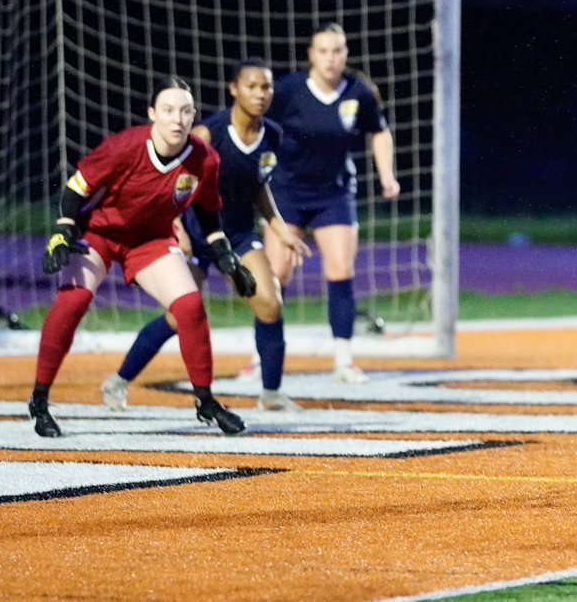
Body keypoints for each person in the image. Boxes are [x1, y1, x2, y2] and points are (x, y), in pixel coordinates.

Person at [29, 77, 257, 437]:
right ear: (152, 114)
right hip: (100, 233)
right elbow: (76, 187)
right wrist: (63, 229)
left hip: (150, 240)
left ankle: (206, 402)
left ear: (194, 115)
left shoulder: (204, 159)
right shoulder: (126, 146)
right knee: (73, 303)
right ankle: (40, 400)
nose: (177, 120)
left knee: (189, 307)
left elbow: (209, 213)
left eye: (185, 111)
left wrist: (225, 254)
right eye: (168, 110)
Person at [100, 60, 313, 413]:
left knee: (270, 305)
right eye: (252, 86)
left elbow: (259, 188)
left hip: (238, 236)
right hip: (198, 235)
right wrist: (177, 229)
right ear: (234, 89)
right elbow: (171, 183)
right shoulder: (207, 134)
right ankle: (118, 381)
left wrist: (280, 229)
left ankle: (271, 393)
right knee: (178, 315)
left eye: (266, 87)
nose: (260, 94)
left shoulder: (271, 135)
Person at [259, 23, 400, 383]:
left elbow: (379, 131)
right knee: (276, 276)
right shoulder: (288, 90)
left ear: (345, 54)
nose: (330, 58)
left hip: (334, 193)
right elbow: (257, 130)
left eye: (337, 51)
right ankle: (260, 358)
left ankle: (343, 360)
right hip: (286, 193)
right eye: (323, 51)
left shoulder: (358, 92)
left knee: (340, 269)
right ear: (311, 55)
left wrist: (387, 175)